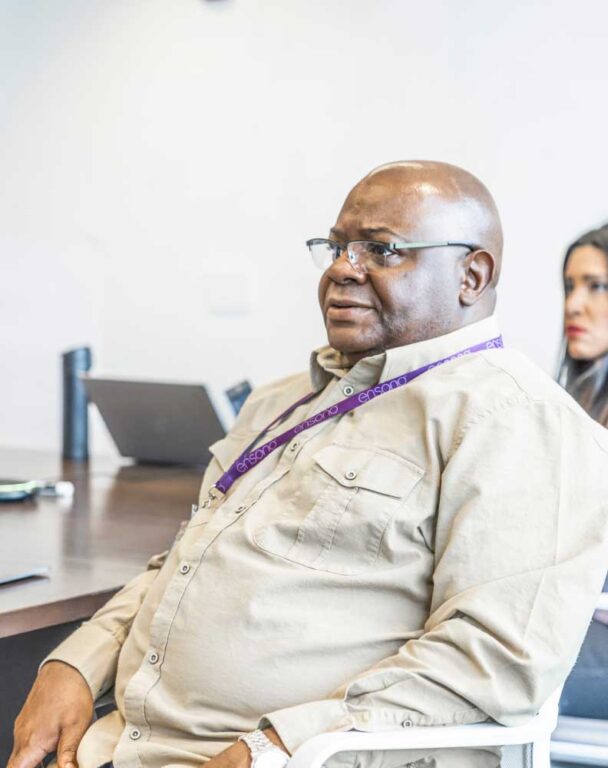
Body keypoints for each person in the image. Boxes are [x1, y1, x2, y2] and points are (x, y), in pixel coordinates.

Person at [9, 162, 608, 768]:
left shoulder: (519, 422)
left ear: (471, 276)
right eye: (337, 246)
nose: (343, 269)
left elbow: (495, 662)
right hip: (123, 743)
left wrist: (276, 748)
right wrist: (76, 663)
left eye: (382, 249)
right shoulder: (286, 397)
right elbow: (191, 556)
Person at [557, 223, 608, 719]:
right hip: (567, 618)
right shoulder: (566, 408)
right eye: (570, 286)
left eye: (596, 286)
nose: (574, 305)